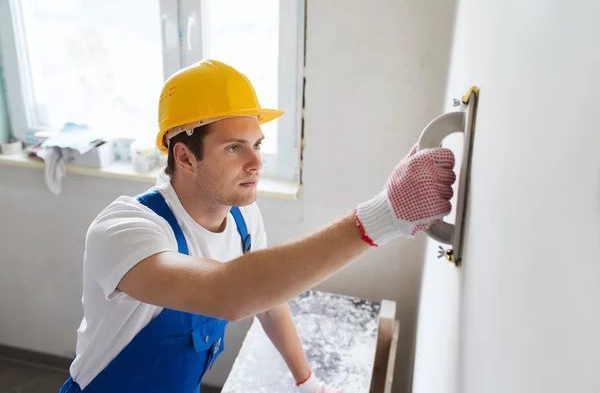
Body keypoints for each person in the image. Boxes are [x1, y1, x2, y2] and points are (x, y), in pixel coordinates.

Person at [59, 59, 456, 393]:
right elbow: (227, 293)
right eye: (234, 147)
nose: (256, 163)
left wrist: (306, 382)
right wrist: (380, 218)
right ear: (184, 156)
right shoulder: (125, 229)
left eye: (258, 145)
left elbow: (266, 299)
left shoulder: (242, 216)